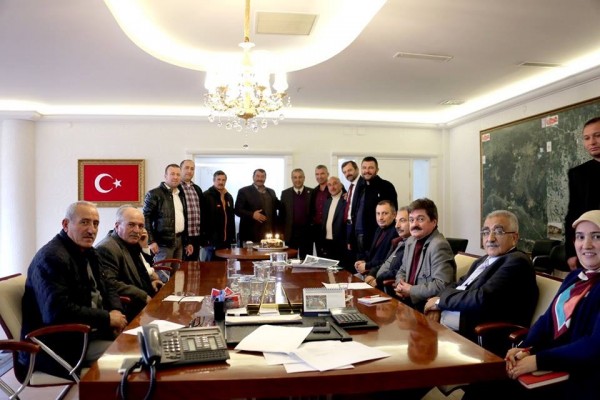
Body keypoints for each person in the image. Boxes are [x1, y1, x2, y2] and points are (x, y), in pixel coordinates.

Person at [466, 210, 600, 400]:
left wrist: (537, 360)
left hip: (581, 377)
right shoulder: (574, 277)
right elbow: (547, 320)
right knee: (483, 382)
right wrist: (526, 348)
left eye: (596, 236)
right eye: (580, 237)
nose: (586, 245)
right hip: (550, 362)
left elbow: (594, 346)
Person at [20, 201, 127, 378]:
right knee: (134, 357)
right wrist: (107, 318)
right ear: (65, 224)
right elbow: (57, 313)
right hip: (60, 346)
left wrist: (115, 311)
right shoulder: (51, 258)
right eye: (84, 222)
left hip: (92, 333)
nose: (91, 230)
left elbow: (108, 286)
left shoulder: (89, 252)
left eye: (95, 223)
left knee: (144, 344)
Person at [424, 210, 538, 346]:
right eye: (485, 232)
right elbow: (456, 285)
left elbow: (482, 298)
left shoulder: (517, 261)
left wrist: (440, 302)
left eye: (498, 232)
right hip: (453, 322)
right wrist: (439, 304)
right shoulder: (483, 260)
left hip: (482, 334)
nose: (490, 238)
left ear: (514, 237)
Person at [96, 205, 164, 319]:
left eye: (141, 226)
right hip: (129, 309)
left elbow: (141, 272)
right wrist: (142, 295)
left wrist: (152, 281)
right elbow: (111, 284)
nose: (137, 230)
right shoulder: (107, 248)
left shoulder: (131, 243)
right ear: (117, 226)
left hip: (146, 302)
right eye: (131, 225)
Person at [394, 198, 455, 312]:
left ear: (434, 222)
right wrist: (400, 285)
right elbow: (402, 270)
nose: (414, 224)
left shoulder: (439, 245)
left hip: (424, 306)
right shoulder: (411, 241)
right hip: (406, 302)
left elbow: (442, 285)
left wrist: (411, 290)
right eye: (411, 220)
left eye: (420, 219)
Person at [564, 117, 600, 270]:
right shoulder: (578, 174)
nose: (592, 142)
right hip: (588, 249)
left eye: (598, 136)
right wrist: (571, 252)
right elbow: (573, 214)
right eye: (587, 138)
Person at [143, 163, 188, 271]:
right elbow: (145, 217)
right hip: (162, 243)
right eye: (172, 174)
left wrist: (187, 241)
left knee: (175, 275)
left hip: (179, 241)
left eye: (178, 174)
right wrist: (151, 241)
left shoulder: (181, 194)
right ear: (165, 176)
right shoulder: (154, 194)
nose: (175, 177)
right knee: (162, 274)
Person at [352, 156, 398, 259]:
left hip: (377, 236)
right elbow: (354, 211)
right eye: (364, 168)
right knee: (359, 265)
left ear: (377, 170)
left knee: (373, 265)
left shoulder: (387, 186)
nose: (367, 171)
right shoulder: (360, 187)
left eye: (371, 168)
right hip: (358, 236)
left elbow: (393, 214)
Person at [365, 206, 411, 290]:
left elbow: (400, 271)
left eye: (402, 220)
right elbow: (385, 263)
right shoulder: (399, 242)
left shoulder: (412, 245)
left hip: (386, 288)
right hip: (377, 282)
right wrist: (371, 274)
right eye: (396, 221)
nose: (397, 226)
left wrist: (378, 280)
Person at [235, 168, 282, 243]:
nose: (260, 179)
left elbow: (279, 206)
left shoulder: (271, 192)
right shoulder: (244, 191)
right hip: (251, 237)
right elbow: (237, 210)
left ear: (265, 178)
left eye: (262, 176)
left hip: (270, 236)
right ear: (253, 177)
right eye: (257, 176)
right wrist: (252, 215)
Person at [354, 200, 398, 279]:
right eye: (378, 213)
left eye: (385, 213)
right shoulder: (378, 229)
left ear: (394, 215)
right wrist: (364, 261)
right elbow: (373, 254)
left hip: (378, 275)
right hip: (369, 271)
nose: (380, 218)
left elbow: (387, 261)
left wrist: (367, 265)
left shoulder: (396, 233)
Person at [203, 170, 236, 260]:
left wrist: (233, 238)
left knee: (225, 265)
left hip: (226, 241)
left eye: (223, 180)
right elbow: (203, 218)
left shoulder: (229, 197)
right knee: (211, 266)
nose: (221, 182)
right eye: (218, 179)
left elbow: (231, 218)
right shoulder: (206, 196)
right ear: (214, 180)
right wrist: (205, 239)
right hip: (211, 241)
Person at [281, 168, 312, 258]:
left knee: (306, 260)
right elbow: (281, 215)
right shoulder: (285, 194)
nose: (297, 180)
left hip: (307, 234)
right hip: (290, 234)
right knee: (290, 260)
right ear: (292, 179)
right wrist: (281, 232)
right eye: (295, 177)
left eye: (300, 177)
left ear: (304, 178)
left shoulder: (312, 192)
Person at [179, 159, 206, 261]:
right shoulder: (176, 188)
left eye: (192, 169)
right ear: (180, 169)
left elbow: (202, 212)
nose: (189, 171)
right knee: (181, 266)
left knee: (194, 265)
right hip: (182, 236)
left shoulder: (197, 188)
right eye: (186, 168)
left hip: (196, 235)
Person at [321, 176, 347, 265]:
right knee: (327, 269)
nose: (332, 187)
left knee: (340, 269)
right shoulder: (327, 202)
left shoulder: (346, 200)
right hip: (327, 242)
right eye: (329, 185)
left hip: (340, 243)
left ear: (341, 185)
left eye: (335, 184)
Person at [341, 160, 362, 265]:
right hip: (349, 226)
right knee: (350, 258)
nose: (347, 173)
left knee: (357, 258)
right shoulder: (351, 186)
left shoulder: (362, 184)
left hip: (358, 227)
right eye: (344, 172)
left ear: (357, 169)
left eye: (350, 170)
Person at [309, 165, 331, 256]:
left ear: (327, 174)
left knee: (331, 256)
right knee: (320, 256)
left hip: (330, 229)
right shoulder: (314, 191)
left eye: (322, 173)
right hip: (317, 230)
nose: (319, 176)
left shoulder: (335, 188)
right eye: (317, 174)